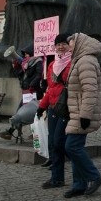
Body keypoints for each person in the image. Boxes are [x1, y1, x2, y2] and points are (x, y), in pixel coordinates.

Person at [58, 32, 101, 197]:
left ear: (78, 44)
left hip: (82, 112)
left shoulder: (85, 61)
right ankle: (79, 184)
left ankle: (94, 176)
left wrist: (85, 115)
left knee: (71, 146)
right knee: (75, 146)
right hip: (77, 111)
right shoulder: (80, 59)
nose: (69, 47)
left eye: (70, 44)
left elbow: (90, 89)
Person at [38, 34, 73, 187]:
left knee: (59, 142)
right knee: (53, 142)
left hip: (65, 107)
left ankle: (82, 171)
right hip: (53, 107)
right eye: (58, 44)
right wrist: (42, 106)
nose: (60, 47)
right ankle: (57, 178)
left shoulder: (73, 62)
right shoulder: (52, 64)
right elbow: (51, 89)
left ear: (69, 45)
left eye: (63, 44)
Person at [0, 45, 45, 141]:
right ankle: (12, 132)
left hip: (35, 92)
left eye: (27, 54)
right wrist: (16, 66)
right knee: (19, 112)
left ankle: (16, 133)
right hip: (27, 92)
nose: (25, 56)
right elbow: (21, 75)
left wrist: (32, 85)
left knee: (34, 114)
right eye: (24, 55)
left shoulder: (38, 62)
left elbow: (39, 74)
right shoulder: (27, 64)